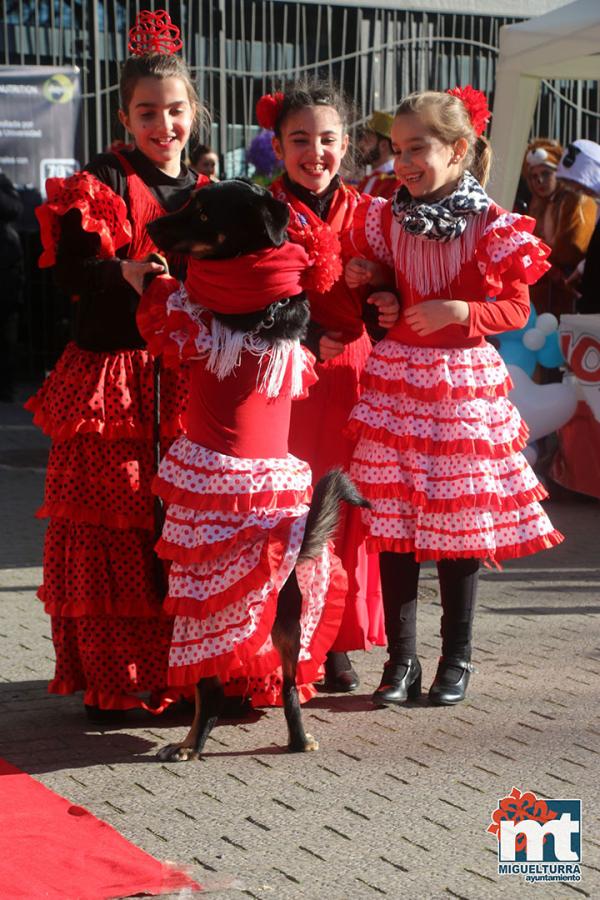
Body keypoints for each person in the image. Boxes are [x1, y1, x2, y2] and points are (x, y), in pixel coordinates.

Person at [343, 87, 563, 708]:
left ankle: (456, 659)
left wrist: (463, 310)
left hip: (461, 385)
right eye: (397, 149)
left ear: (459, 149)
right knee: (396, 522)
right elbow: (383, 293)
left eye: (419, 148)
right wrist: (378, 291)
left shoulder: (492, 223)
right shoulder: (387, 215)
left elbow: (518, 306)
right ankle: (400, 661)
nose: (404, 161)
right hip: (399, 380)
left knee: (458, 527)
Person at [26, 10, 209, 718]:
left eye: (173, 109)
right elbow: (71, 272)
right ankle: (114, 677)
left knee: (178, 525)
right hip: (114, 378)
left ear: (193, 110)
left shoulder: (201, 188)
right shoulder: (98, 178)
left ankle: (185, 671)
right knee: (114, 528)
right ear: (125, 115)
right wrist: (122, 272)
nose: (162, 124)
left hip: (183, 378)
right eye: (147, 112)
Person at [258, 84, 397, 692]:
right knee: (295, 509)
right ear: (278, 145)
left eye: (327, 139)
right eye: (300, 139)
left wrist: (386, 287)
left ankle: (337, 639)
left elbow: (402, 289)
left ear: (347, 143)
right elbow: (244, 298)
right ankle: (294, 634)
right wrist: (308, 337)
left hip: (358, 376)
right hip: (290, 379)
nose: (314, 151)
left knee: (349, 513)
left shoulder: (373, 211)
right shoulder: (258, 210)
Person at [524, 138, 596, 317]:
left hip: (573, 287)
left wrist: (548, 263)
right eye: (534, 176)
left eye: (546, 173)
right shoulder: (537, 205)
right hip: (548, 287)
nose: (539, 180)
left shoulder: (578, 200)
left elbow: (571, 249)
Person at [0, 172, 24, 402]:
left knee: (6, 335)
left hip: (5, 274)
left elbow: (15, 208)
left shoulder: (2, 181)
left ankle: (5, 387)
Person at [356, 111, 399, 199]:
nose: (361, 144)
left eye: (367, 140)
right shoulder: (369, 179)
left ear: (383, 145)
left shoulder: (396, 182)